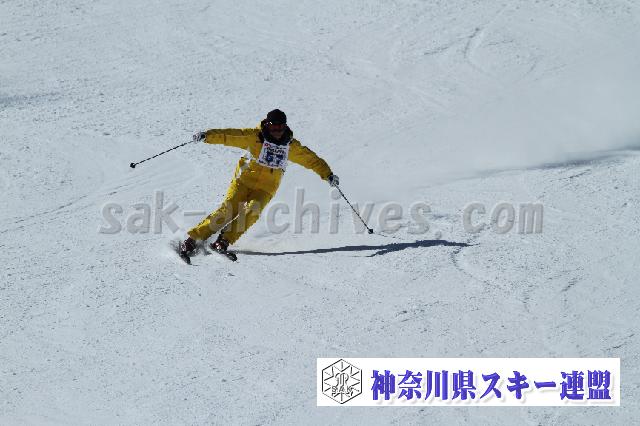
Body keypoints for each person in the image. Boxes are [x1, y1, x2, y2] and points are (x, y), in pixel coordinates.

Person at [179, 109, 339, 260]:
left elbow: (310, 160)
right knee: (229, 209)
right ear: (267, 125)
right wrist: (207, 136)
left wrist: (328, 174)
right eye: (274, 127)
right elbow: (229, 136)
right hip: (244, 180)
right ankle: (193, 239)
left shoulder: (290, 146)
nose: (277, 131)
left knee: (253, 211)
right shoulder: (255, 137)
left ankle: (223, 241)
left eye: (280, 127)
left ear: (285, 126)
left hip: (266, 187)